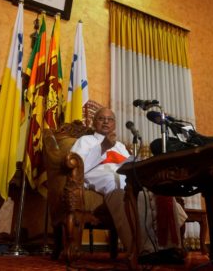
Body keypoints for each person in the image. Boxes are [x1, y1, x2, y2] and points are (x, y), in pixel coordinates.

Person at [71, 107, 187, 262]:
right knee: (125, 194)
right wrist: (104, 146)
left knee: (160, 193)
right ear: (93, 122)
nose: (106, 121)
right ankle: (143, 251)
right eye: (101, 118)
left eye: (110, 119)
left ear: (114, 124)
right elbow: (78, 167)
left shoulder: (119, 146)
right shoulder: (84, 141)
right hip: (108, 182)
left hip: (128, 179)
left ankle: (169, 248)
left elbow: (130, 165)